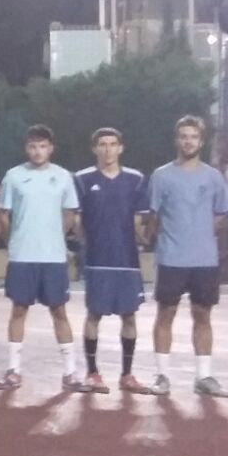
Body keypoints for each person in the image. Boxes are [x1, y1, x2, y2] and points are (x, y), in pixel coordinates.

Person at [144, 115, 228, 397]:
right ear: (176, 140)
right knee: (165, 314)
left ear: (201, 141)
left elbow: (223, 213)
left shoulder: (213, 176)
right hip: (171, 258)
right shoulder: (161, 175)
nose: (188, 141)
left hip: (204, 260)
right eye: (183, 136)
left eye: (193, 137)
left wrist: (202, 232)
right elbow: (153, 216)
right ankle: (162, 376)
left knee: (202, 315)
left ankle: (203, 377)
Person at [0, 124, 87, 392]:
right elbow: (3, 214)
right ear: (27, 148)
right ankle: (13, 370)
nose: (37, 151)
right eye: (33, 146)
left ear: (51, 148)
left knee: (59, 311)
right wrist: (15, 239)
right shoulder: (13, 176)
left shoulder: (63, 177)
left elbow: (70, 213)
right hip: (22, 256)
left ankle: (70, 372)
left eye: (42, 146)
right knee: (18, 310)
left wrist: (56, 236)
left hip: (53, 258)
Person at [73, 128, 152, 393]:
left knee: (129, 316)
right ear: (94, 149)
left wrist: (146, 241)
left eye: (112, 144)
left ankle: (127, 375)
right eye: (102, 144)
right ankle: (92, 373)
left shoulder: (136, 179)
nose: (108, 149)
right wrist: (87, 246)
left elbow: (140, 222)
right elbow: (78, 223)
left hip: (127, 260)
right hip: (97, 261)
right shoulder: (82, 179)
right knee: (93, 315)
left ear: (121, 148)